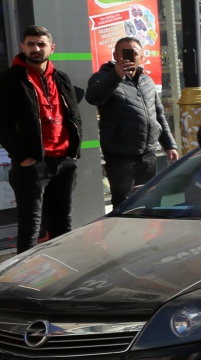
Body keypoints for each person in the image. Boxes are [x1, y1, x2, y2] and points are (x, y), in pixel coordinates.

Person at [0, 26, 84, 252]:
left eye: (41, 44)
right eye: (31, 44)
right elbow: (2, 124)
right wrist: (23, 157)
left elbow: (74, 115)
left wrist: (73, 152)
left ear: (51, 48)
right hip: (33, 164)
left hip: (64, 161)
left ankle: (62, 266)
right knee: (31, 226)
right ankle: (23, 272)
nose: (36, 49)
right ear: (22, 47)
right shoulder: (9, 80)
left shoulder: (61, 78)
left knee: (63, 223)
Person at [85, 36, 177, 206]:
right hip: (120, 155)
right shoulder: (103, 77)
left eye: (134, 53)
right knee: (124, 203)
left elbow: (158, 115)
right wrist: (116, 75)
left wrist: (169, 145)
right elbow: (93, 97)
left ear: (141, 56)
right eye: (125, 53)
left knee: (149, 200)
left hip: (148, 153)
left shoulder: (146, 80)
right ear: (115, 55)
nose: (130, 57)